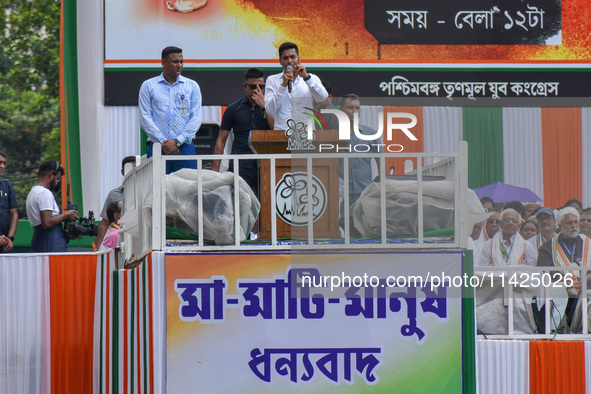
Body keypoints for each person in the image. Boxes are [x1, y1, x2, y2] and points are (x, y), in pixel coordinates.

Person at [139, 46, 202, 173]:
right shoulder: (149, 86)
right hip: (158, 147)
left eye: (181, 61)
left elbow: (196, 117)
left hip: (184, 147)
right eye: (175, 62)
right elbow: (145, 118)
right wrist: (165, 143)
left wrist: (177, 142)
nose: (179, 65)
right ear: (163, 62)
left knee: (188, 190)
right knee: (158, 189)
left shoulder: (192, 86)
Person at [212, 68, 274, 197]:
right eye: (253, 87)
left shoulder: (270, 106)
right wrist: (215, 171)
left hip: (264, 161)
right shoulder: (233, 108)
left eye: (261, 87)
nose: (257, 90)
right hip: (240, 161)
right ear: (245, 87)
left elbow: (276, 129)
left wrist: (263, 106)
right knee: (239, 200)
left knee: (267, 199)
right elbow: (221, 140)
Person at [537, 207, 591, 327]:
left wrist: (588, 277)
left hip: (587, 287)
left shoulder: (588, 243)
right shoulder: (548, 247)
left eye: (576, 222)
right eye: (569, 223)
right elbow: (543, 272)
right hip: (562, 291)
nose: (574, 226)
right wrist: (564, 280)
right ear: (560, 226)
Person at [264, 42, 328, 130]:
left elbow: (322, 98)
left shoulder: (311, 78)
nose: (290, 61)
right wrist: (283, 86)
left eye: (293, 57)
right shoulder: (272, 80)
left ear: (298, 58)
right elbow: (270, 110)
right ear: (280, 61)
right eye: (285, 58)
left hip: (306, 133)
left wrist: (306, 78)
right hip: (283, 133)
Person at [338, 94, 381, 215]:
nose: (355, 111)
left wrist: (382, 184)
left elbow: (381, 160)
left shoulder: (371, 133)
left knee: (365, 227)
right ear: (341, 111)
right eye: (350, 108)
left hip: (364, 192)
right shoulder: (332, 135)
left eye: (357, 108)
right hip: (339, 193)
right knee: (341, 228)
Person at [26, 160, 78, 252]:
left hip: (39, 240)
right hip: (51, 244)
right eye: (57, 178)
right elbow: (47, 222)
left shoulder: (33, 192)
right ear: (50, 175)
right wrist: (66, 215)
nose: (57, 183)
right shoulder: (44, 193)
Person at [95, 156, 136, 248]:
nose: (133, 172)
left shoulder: (146, 191)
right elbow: (105, 223)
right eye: (130, 169)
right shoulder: (114, 194)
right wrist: (96, 250)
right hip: (119, 240)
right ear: (122, 172)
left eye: (136, 169)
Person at [0, 152, 18, 252]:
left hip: (5, 245)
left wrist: (10, 238)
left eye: (4, 163)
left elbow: (14, 214)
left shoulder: (6, 185)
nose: (2, 166)